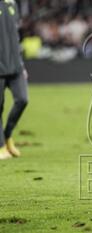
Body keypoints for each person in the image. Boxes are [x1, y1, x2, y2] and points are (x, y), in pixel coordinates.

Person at [0, 0, 29, 160]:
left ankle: (7, 135)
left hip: (16, 66)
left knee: (22, 99)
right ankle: (1, 147)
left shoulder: (12, 3)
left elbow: (14, 36)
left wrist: (22, 65)